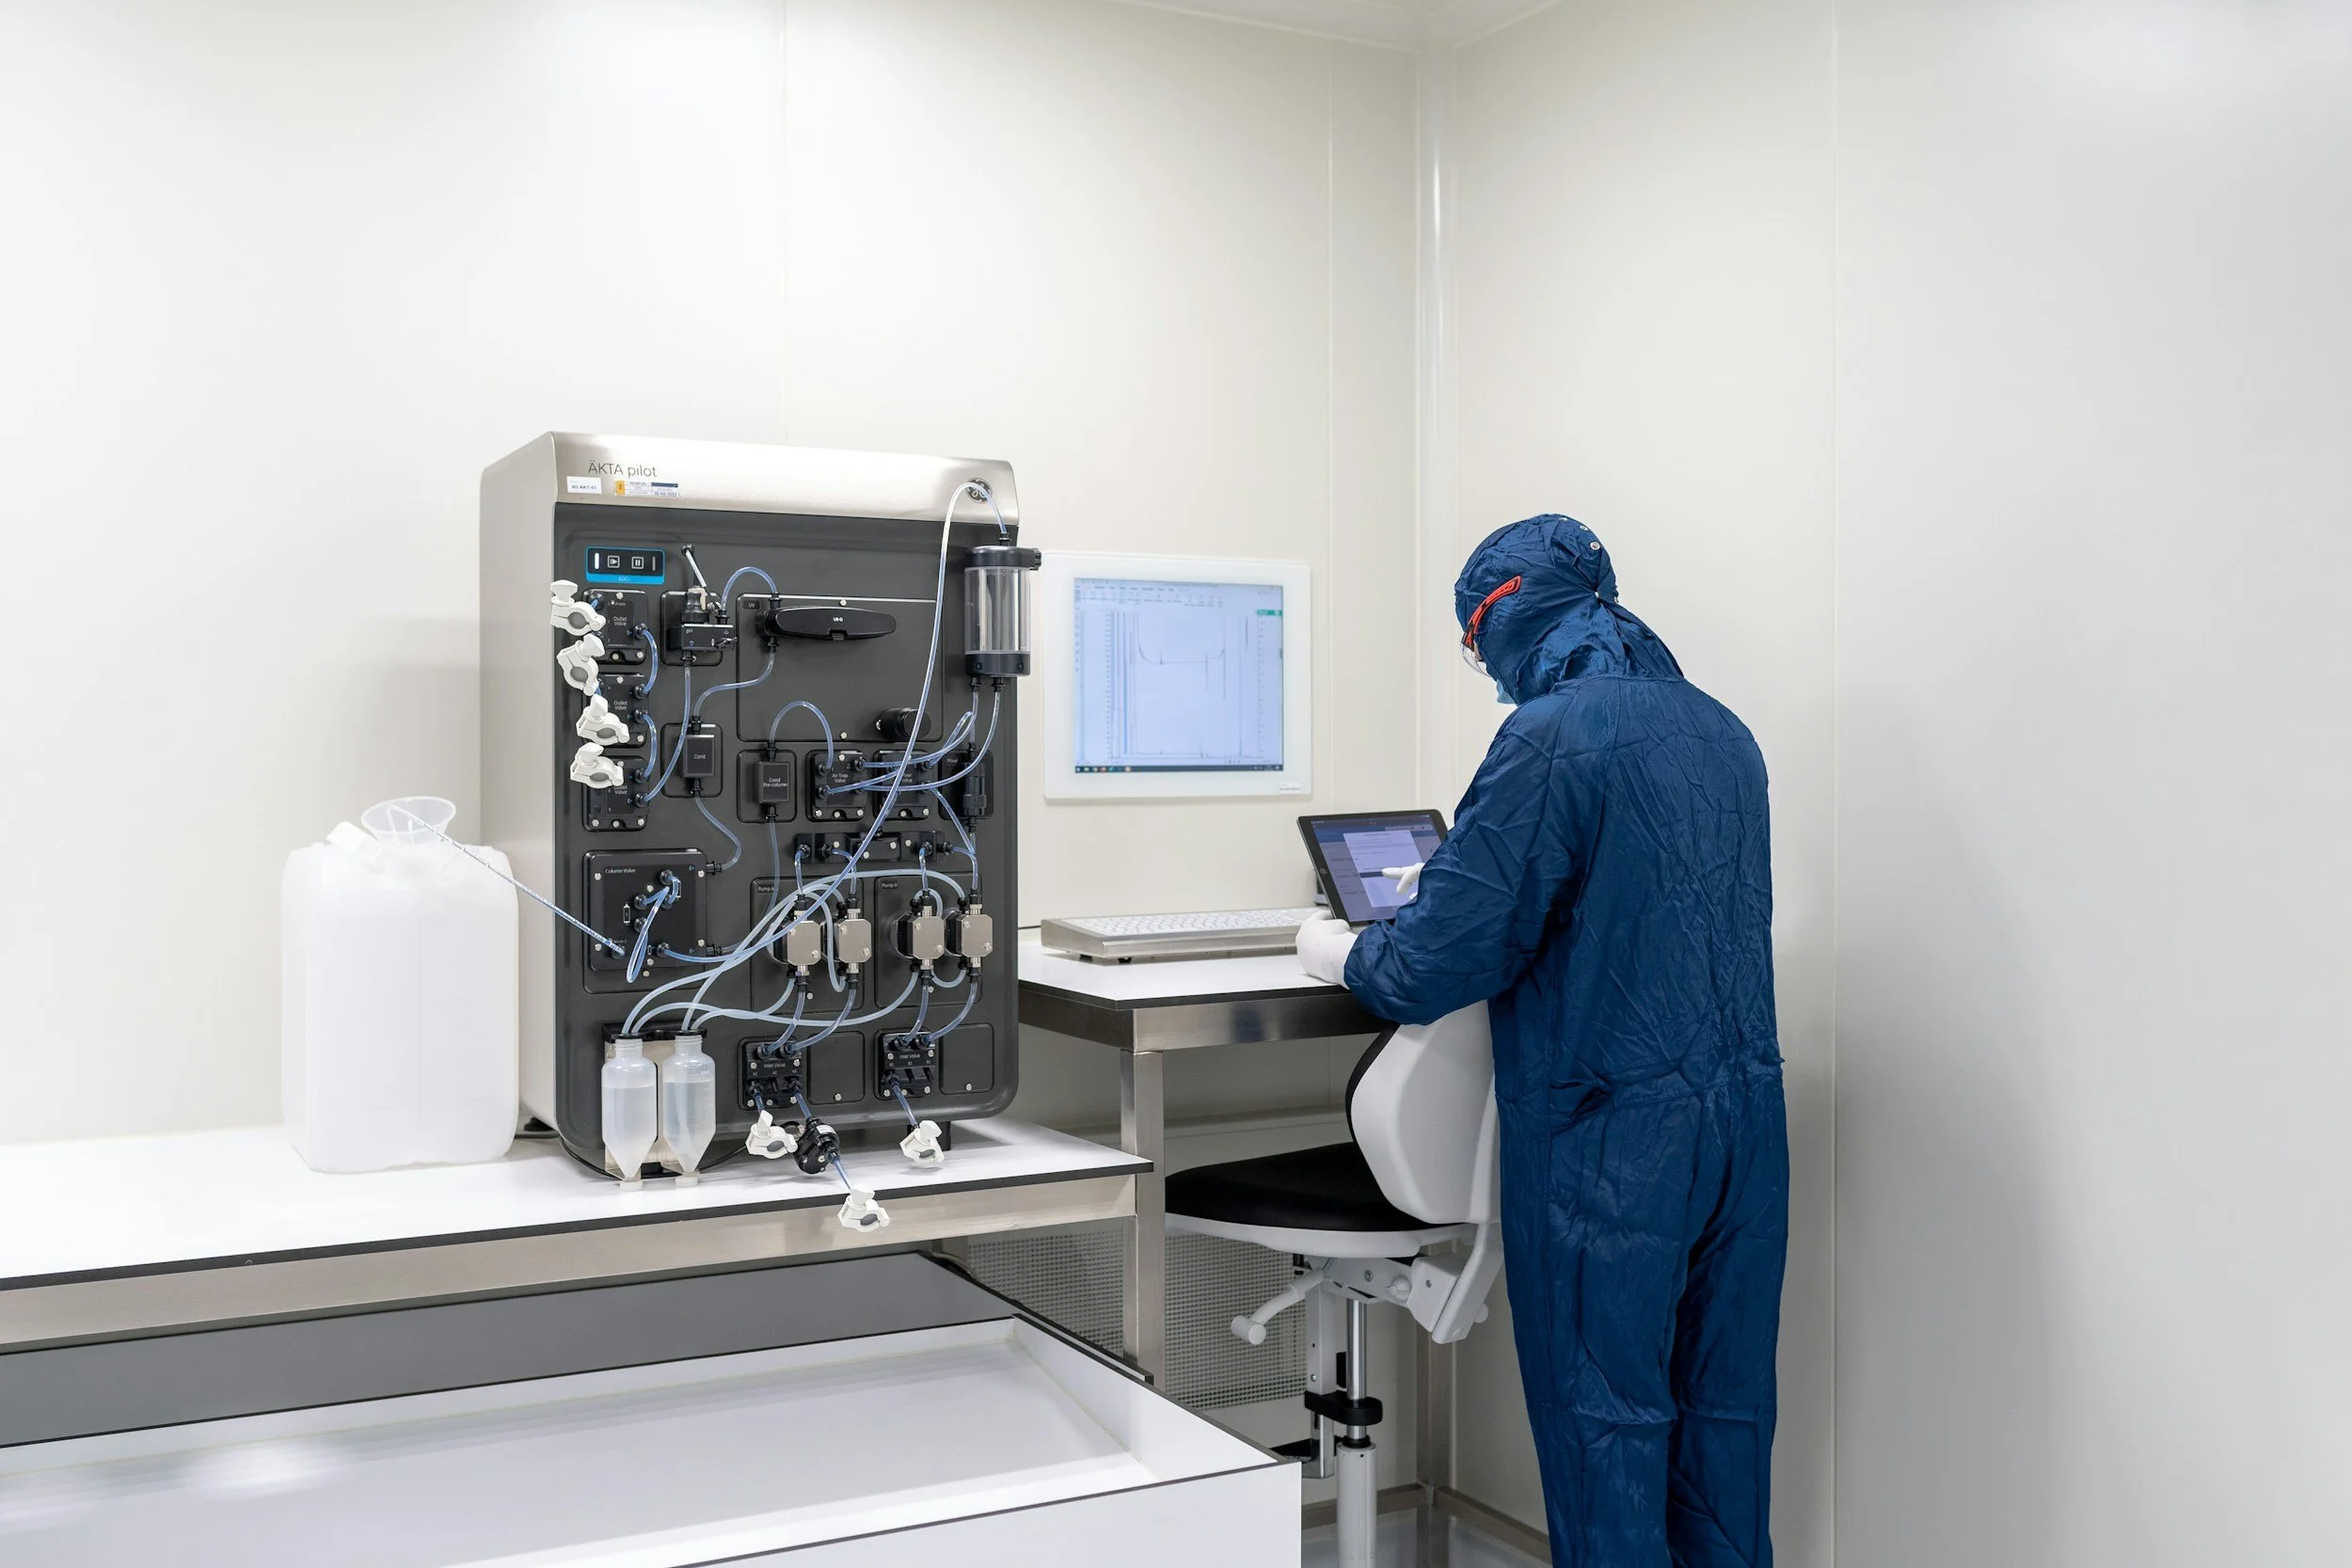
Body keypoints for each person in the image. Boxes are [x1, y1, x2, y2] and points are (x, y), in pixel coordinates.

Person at [1295, 515, 1789, 1568]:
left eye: (1475, 643)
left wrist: (1335, 950)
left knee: (1603, 1425)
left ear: (1502, 615)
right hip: (1744, 1128)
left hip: (1611, 1142)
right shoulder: (1722, 730)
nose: (1483, 667)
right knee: (1727, 1416)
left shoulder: (1549, 736)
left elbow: (1435, 962)